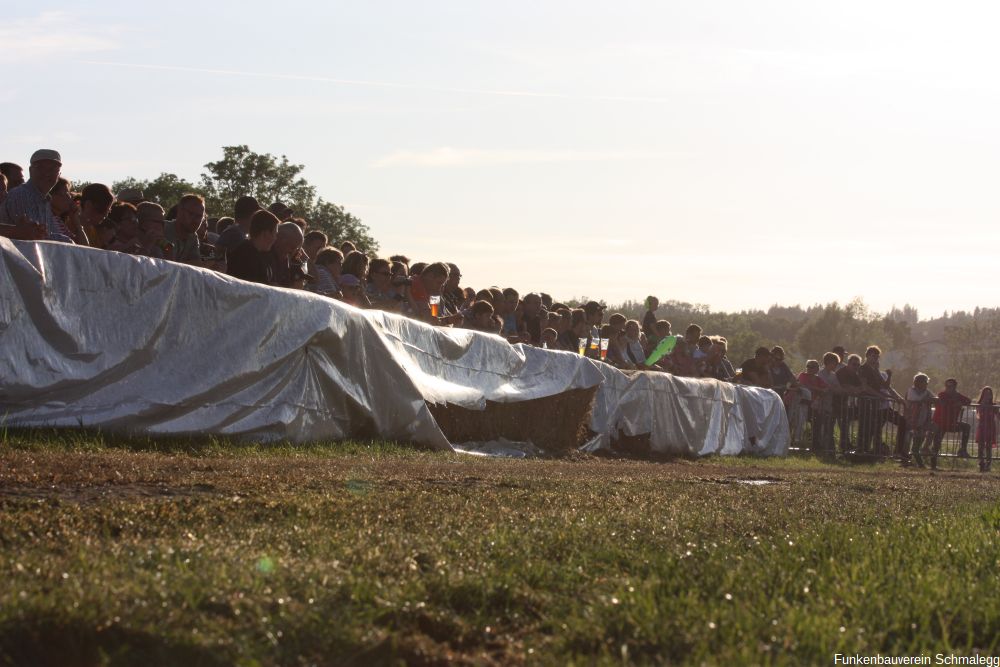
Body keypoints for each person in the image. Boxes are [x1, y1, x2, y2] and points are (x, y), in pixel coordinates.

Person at [1, 149, 69, 241]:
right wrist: (67, 242)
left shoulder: (45, 201)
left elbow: (46, 236)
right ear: (30, 170)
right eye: (40, 168)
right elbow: (34, 238)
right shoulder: (21, 195)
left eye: (52, 169)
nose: (46, 173)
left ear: (59, 174)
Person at [226, 210, 280, 285]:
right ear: (265, 233)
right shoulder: (244, 255)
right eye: (275, 234)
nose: (275, 238)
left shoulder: (265, 255)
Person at [932, 378, 973, 458]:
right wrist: (955, 403)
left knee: (966, 427)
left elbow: (968, 400)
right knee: (937, 442)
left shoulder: (958, 395)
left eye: (950, 386)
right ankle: (933, 461)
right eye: (947, 385)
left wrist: (960, 402)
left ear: (954, 386)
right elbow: (944, 401)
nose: (948, 387)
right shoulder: (942, 394)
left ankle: (963, 450)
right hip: (941, 423)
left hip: (952, 424)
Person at [905, 373, 938, 468]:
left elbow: (934, 399)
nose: (926, 384)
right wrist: (927, 399)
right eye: (924, 382)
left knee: (922, 439)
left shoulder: (927, 392)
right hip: (913, 421)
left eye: (926, 382)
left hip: (923, 421)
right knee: (913, 445)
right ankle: (916, 463)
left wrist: (931, 399)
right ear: (918, 382)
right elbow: (916, 399)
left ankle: (924, 451)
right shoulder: (911, 390)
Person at [164, 194, 206, 264]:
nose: (196, 220)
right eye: (191, 214)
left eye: (200, 216)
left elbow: (196, 265)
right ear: (180, 211)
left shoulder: (193, 237)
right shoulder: (162, 228)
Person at [976, 387, 996, 473]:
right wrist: (983, 404)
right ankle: (981, 463)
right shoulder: (980, 404)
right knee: (981, 446)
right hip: (982, 426)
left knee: (988, 446)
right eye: (986, 393)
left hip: (990, 427)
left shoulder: (994, 405)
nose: (988, 396)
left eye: (989, 394)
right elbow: (978, 413)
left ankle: (988, 464)